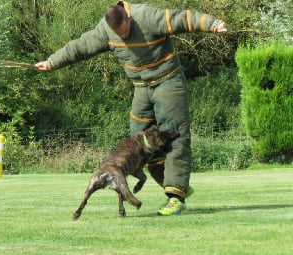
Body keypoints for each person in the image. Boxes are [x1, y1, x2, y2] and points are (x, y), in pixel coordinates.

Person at [35, 1, 227, 216]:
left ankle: (176, 197)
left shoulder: (146, 16)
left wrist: (213, 23)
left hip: (168, 82)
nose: (123, 37)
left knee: (174, 135)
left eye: (125, 31)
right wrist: (52, 62)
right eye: (119, 34)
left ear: (129, 18)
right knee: (139, 145)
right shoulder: (105, 29)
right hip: (141, 87)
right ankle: (174, 184)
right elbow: (81, 46)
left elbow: (180, 18)